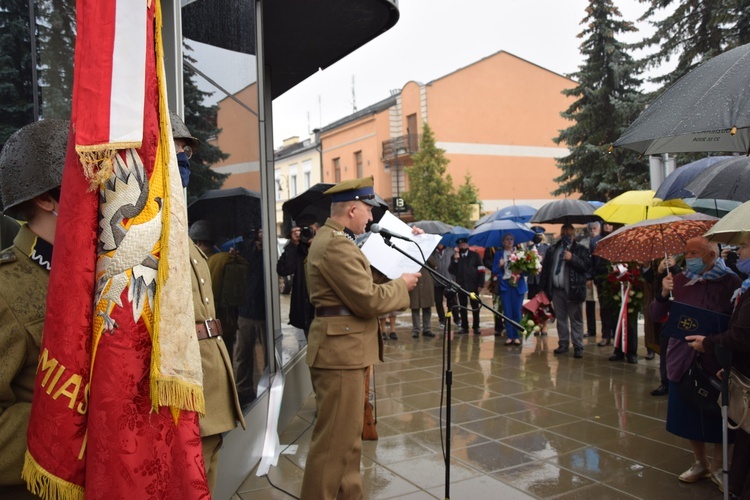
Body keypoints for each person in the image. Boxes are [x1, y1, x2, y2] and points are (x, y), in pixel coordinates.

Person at [300, 176, 419, 499]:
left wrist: (408, 243)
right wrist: (402, 286)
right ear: (352, 209)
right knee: (332, 447)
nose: (371, 216)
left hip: (346, 351)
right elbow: (367, 298)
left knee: (348, 443)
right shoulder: (335, 244)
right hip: (340, 354)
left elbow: (364, 278)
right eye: (368, 209)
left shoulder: (338, 241)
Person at [0, 120, 67, 499]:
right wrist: (79, 423)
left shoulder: (95, 276)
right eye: (93, 183)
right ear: (46, 199)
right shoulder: (6, 287)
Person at [650, 236, 740, 488]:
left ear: (711, 256)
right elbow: (657, 315)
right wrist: (664, 292)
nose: (687, 258)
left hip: (714, 360)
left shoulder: (732, 282)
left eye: (693, 253)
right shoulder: (679, 280)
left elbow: (736, 324)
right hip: (682, 358)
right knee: (688, 415)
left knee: (718, 418)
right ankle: (700, 462)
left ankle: (721, 467)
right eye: (686, 253)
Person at [686, 232, 750, 497]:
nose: (740, 252)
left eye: (744, 246)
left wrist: (710, 343)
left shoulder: (736, 284)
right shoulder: (745, 287)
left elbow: (740, 334)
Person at [539, 223, 592, 359]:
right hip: (557, 290)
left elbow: (585, 266)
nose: (565, 237)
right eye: (563, 234)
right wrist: (543, 290)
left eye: (568, 234)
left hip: (573, 290)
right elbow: (546, 271)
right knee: (561, 319)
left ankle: (578, 345)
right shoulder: (553, 250)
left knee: (576, 319)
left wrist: (572, 258)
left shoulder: (581, 250)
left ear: (574, 235)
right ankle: (563, 343)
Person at [234, 227, 266, 407]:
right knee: (242, 353)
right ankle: (243, 390)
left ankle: (267, 387)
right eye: (258, 232)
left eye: (263, 232)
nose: (261, 236)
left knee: (269, 354)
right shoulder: (246, 251)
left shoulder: (269, 251)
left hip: (264, 311)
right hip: (245, 310)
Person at [277, 219, 319, 338]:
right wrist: (293, 244)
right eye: (304, 231)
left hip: (325, 313)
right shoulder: (298, 250)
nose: (308, 234)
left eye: (311, 231)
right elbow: (283, 270)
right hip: (307, 313)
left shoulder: (327, 247)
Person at [493, 233, 526, 346]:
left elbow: (527, 271)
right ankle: (509, 336)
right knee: (507, 312)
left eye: (511, 239)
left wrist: (522, 270)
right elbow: (494, 271)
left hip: (518, 285)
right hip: (505, 285)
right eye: (507, 239)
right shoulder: (499, 254)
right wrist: (500, 265)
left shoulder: (519, 253)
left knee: (517, 311)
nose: (509, 241)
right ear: (503, 242)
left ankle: (516, 336)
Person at [448, 237, 485, 334]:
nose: (462, 246)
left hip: (473, 285)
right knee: (463, 307)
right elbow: (451, 271)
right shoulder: (455, 256)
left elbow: (481, 270)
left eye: (464, 244)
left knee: (475, 307)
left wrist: (481, 284)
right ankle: (464, 326)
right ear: (458, 246)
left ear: (468, 245)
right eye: (460, 245)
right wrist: (455, 261)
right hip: (461, 286)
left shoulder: (475, 255)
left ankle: (476, 326)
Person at [410, 254, 437, 339]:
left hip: (426, 282)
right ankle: (416, 330)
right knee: (415, 307)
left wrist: (426, 255)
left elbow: (435, 265)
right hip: (414, 282)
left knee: (427, 308)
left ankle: (427, 328)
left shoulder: (430, 252)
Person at [582, 221, 602, 340]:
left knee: (604, 306)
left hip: (600, 276)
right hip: (589, 277)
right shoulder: (585, 243)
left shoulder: (602, 241)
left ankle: (607, 330)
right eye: (590, 229)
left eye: (594, 228)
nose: (592, 231)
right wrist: (588, 277)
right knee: (589, 304)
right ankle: (591, 329)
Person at [433, 243, 454, 330]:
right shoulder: (433, 251)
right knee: (438, 301)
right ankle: (442, 320)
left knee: (453, 301)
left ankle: (457, 319)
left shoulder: (451, 250)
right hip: (437, 279)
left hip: (449, 279)